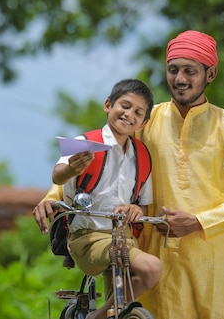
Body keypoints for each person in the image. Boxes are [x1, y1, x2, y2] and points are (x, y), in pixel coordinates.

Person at [34, 30, 224, 319]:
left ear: (211, 74)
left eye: (190, 71)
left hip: (218, 265)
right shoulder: (146, 120)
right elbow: (93, 159)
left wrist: (198, 221)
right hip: (157, 259)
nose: (180, 78)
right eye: (173, 70)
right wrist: (52, 196)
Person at [51, 78, 162, 319]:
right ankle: (97, 317)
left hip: (124, 239)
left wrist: (136, 210)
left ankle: (105, 314)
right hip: (88, 238)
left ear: (144, 122)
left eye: (138, 112)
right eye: (124, 105)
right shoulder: (85, 144)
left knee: (121, 301)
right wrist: (71, 168)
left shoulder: (142, 156)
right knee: (152, 268)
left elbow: (143, 205)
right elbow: (58, 176)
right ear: (108, 105)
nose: (129, 114)